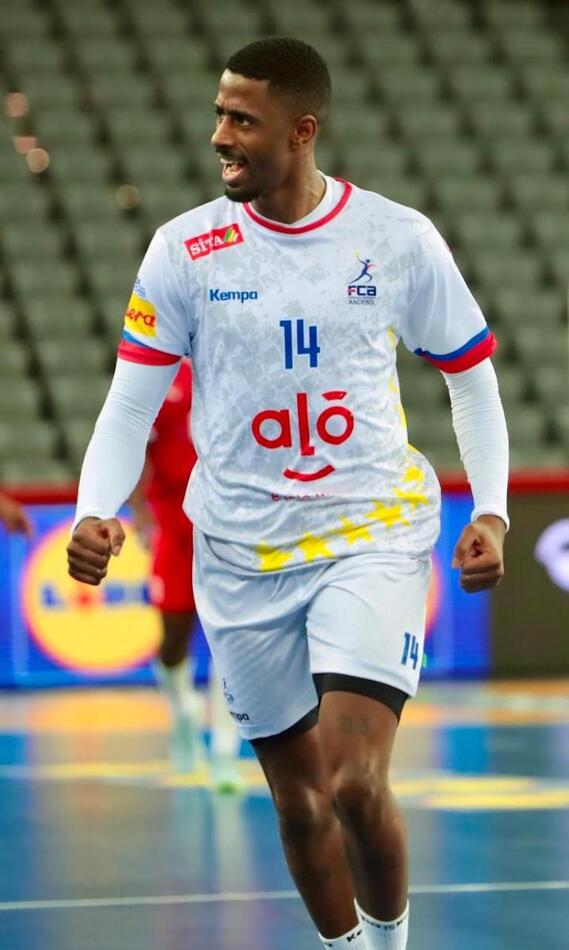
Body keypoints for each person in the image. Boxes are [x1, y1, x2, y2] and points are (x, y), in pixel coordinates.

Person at [66, 38, 508, 950]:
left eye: (242, 119)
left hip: (368, 532)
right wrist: (93, 510)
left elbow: (469, 375)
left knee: (353, 781)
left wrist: (492, 510)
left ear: (302, 131)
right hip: (238, 552)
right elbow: (130, 403)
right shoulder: (183, 248)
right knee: (301, 803)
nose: (219, 136)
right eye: (218, 115)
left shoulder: (395, 238)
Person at [128, 357, 242, 787]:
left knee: (231, 639)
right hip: (173, 523)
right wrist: (140, 512)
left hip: (228, 524)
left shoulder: (234, 366)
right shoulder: (161, 375)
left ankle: (225, 752)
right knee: (173, 639)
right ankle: (183, 713)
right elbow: (135, 447)